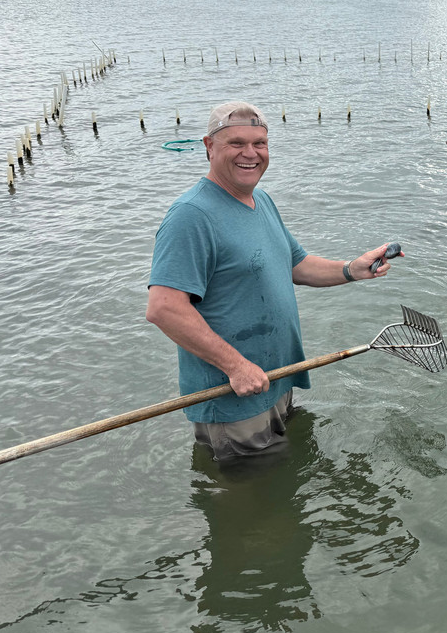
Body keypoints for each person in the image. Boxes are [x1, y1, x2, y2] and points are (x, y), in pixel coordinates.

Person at [146, 101, 400, 461]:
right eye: (236, 143)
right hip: (234, 396)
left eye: (259, 143)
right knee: (249, 501)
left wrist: (350, 270)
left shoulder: (260, 200)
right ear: (208, 147)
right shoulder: (191, 216)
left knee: (284, 479)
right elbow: (164, 309)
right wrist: (236, 367)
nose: (250, 154)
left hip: (275, 377)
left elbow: (294, 264)